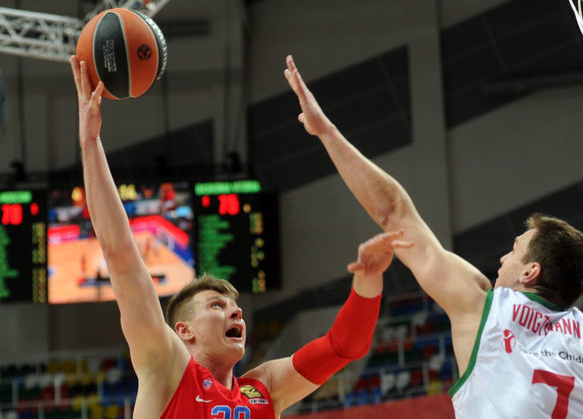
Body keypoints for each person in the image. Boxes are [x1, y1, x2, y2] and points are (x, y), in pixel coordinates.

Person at [283, 54, 583, 418]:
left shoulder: (481, 308)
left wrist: (327, 133)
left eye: (513, 252)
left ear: (531, 271)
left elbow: (392, 211)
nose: (501, 259)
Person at [70, 55, 413, 418]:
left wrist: (368, 281)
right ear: (184, 330)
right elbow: (121, 255)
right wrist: (90, 141)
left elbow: (344, 347)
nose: (235, 311)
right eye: (216, 306)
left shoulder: (264, 388)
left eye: (233, 306)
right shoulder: (166, 368)